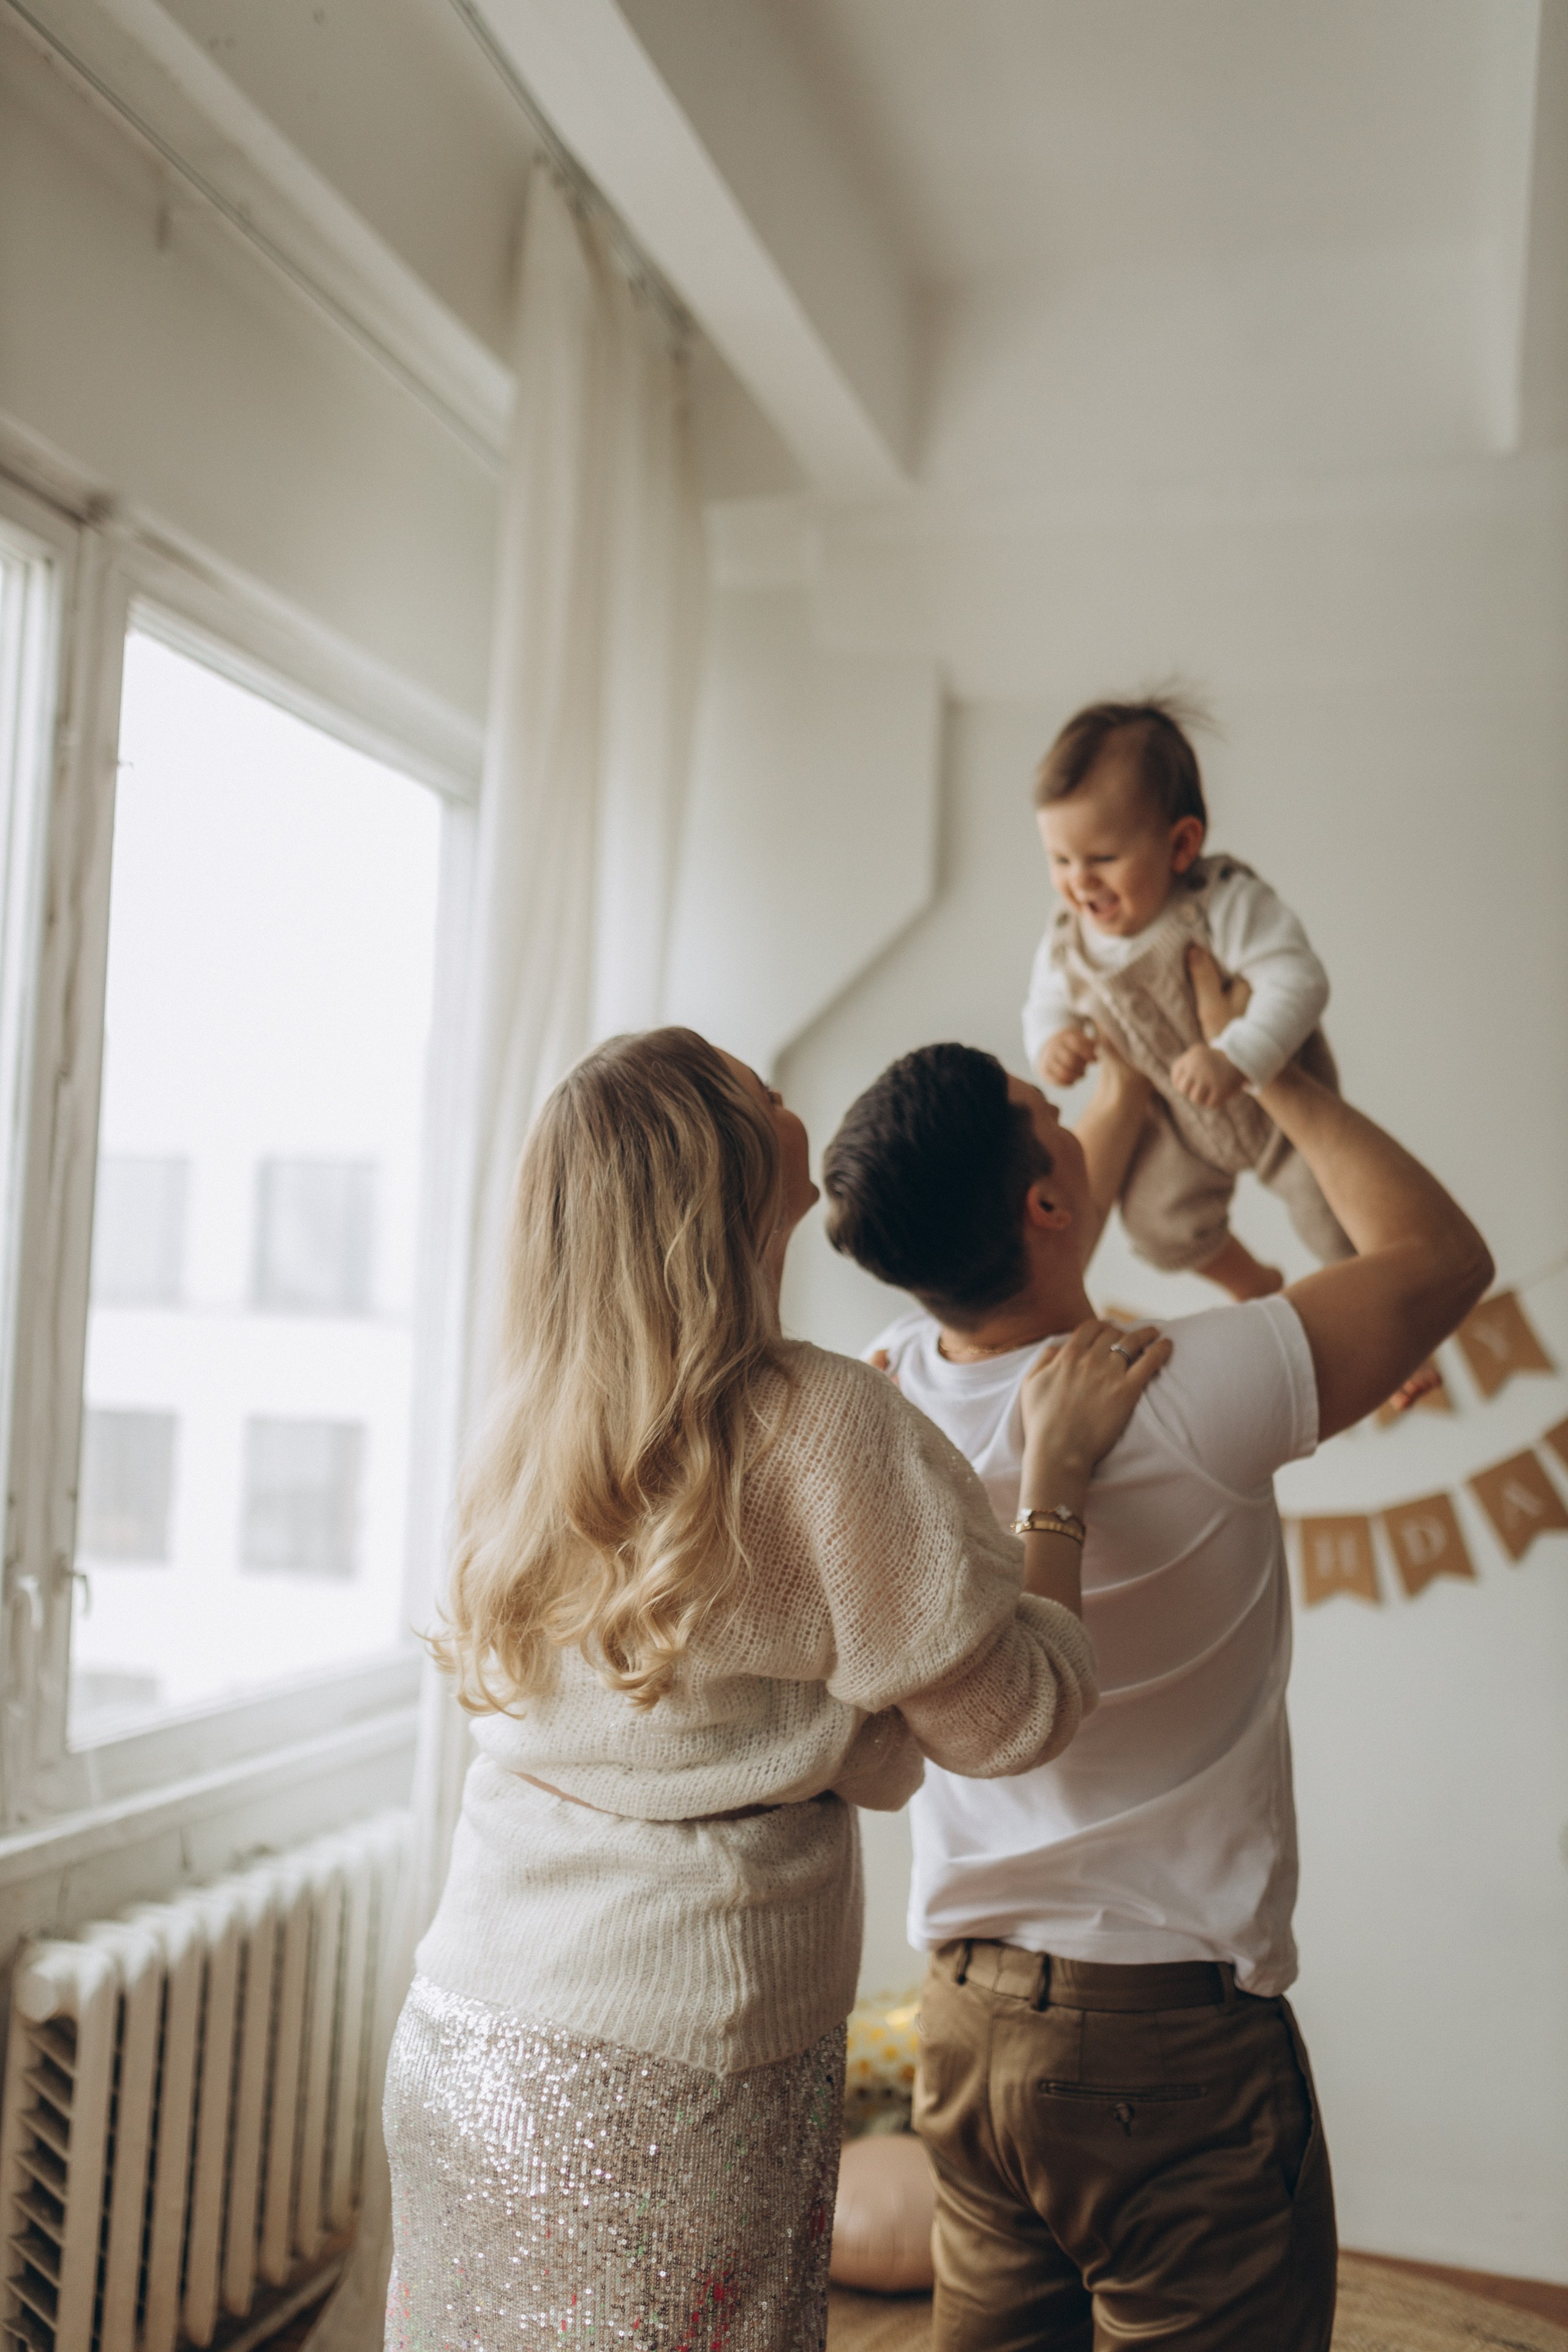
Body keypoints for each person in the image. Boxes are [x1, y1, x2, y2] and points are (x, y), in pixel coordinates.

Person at [382, 1025, 1170, 2352]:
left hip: (472, 2023)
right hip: (678, 2062)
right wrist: (1054, 1486)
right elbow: (1017, 1716)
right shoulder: (826, 1424)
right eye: (755, 1085)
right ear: (726, 1167)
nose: (784, 1088)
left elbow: (690, 1709)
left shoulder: (523, 1428)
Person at [821, 953, 1491, 2352]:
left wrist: (1127, 1045)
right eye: (1043, 1108)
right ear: (1043, 1204)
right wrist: (1263, 1064)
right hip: (1162, 2041)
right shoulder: (1187, 1388)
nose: (1067, 1111)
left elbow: (1068, 1176)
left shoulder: (885, 1398)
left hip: (965, 2024)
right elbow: (1439, 1260)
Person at [1022, 692, 1349, 1303]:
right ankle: (1253, 1284)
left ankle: (1381, 1311)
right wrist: (1051, 1043)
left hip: (1282, 1110)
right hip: (1178, 1124)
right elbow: (1043, 1004)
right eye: (1059, 859)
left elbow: (1299, 979)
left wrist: (1236, 1054)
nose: (1079, 880)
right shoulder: (1068, 937)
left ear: (1180, 846)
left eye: (1102, 858)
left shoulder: (1220, 901)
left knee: (1339, 1216)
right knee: (1157, 1224)